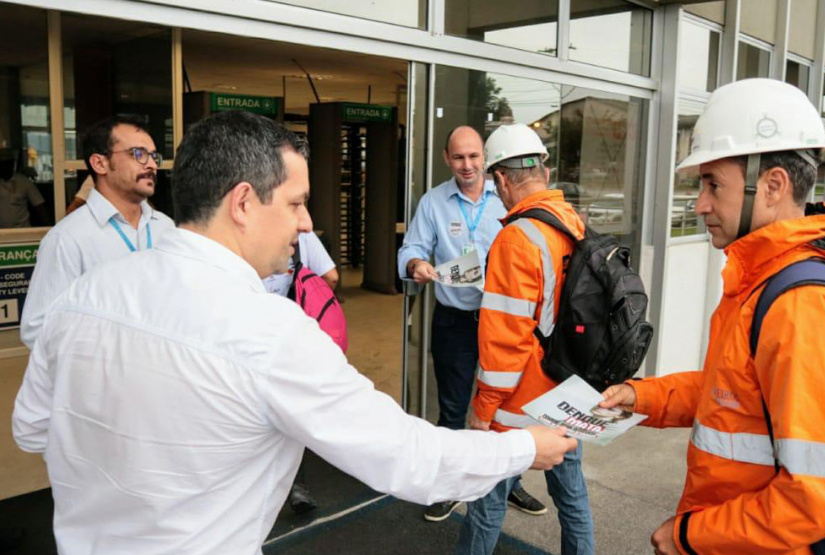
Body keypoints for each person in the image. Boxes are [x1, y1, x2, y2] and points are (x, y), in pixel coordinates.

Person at [12, 110, 578, 555]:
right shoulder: (267, 330)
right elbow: (407, 457)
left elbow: (32, 429)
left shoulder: (81, 296)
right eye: (297, 204)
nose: (307, 224)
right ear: (242, 202)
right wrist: (525, 446)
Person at [600, 79, 825, 555]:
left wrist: (689, 537)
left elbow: (818, 498)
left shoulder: (803, 307)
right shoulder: (768, 280)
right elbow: (733, 394)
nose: (700, 204)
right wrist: (641, 397)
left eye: (713, 184)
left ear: (773, 186)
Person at [398, 125, 547, 521]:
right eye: (459, 157)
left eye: (474, 156)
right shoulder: (433, 202)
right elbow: (411, 248)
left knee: (507, 409)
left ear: (485, 158)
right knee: (453, 409)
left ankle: (510, 485)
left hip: (506, 321)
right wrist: (416, 264)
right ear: (447, 159)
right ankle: (451, 488)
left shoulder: (508, 196)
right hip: (456, 321)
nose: (467, 165)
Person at [459, 123, 595, 555]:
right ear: (545, 172)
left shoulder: (515, 239)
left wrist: (483, 412)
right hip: (568, 392)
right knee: (572, 499)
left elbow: (505, 343)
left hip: (518, 406)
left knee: (486, 507)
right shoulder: (573, 223)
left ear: (501, 179)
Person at [19, 116, 174, 350]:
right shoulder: (68, 238)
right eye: (138, 154)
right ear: (100, 163)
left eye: (154, 156)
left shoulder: (166, 227)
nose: (152, 165)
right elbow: (37, 329)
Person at [263, 229, 339, 516]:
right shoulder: (305, 236)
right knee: (292, 405)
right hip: (292, 334)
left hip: (253, 333)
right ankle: (296, 485)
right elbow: (331, 277)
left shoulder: (244, 232)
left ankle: (269, 485)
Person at [0, 151, 50, 228]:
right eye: (2, 164)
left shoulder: (24, 181)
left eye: (7, 163)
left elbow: (39, 206)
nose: (5, 167)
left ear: (12, 164)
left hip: (22, 229)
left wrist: (49, 227)